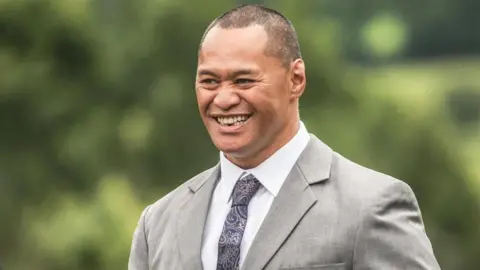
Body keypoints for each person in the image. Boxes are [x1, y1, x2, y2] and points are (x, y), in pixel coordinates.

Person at [128, 4, 440, 270]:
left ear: (296, 79)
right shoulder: (157, 224)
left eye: (243, 80)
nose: (223, 99)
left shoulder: (371, 206)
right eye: (209, 81)